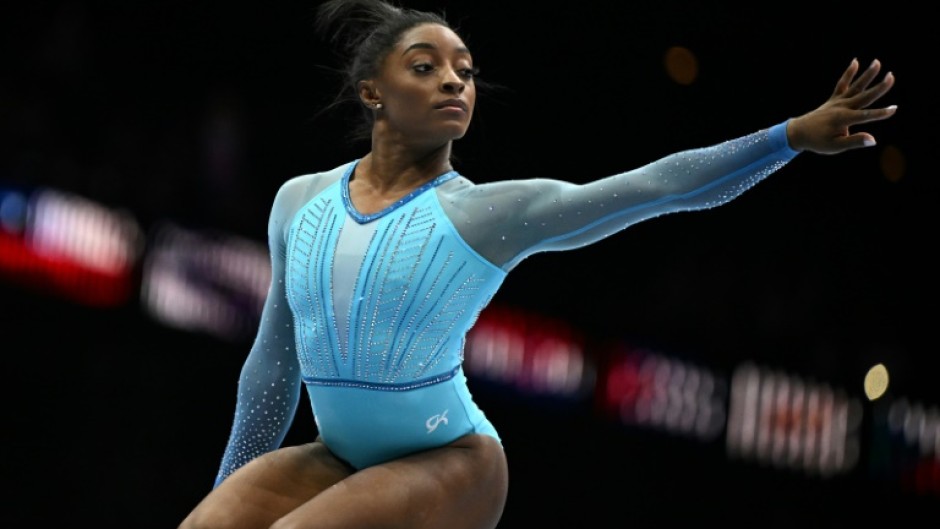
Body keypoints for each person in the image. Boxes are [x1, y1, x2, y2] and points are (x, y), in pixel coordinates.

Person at [178, 0, 897, 527]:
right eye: (425, 68)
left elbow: (655, 188)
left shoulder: (483, 214)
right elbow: (270, 373)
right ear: (373, 93)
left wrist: (789, 138)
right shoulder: (298, 204)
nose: (455, 82)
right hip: (337, 453)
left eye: (465, 71)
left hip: (453, 463)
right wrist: (226, 502)